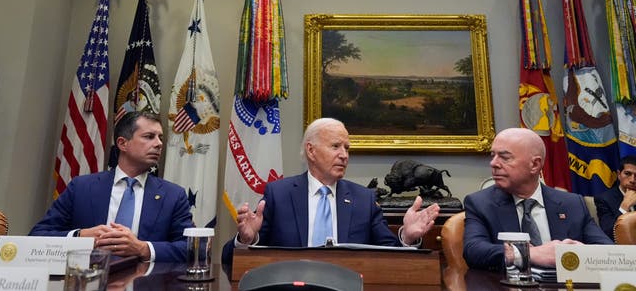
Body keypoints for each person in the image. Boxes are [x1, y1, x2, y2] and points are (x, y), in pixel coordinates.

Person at [221, 118, 441, 265]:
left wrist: (407, 238)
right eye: (335, 146)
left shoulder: (363, 200)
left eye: (347, 148)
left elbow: (391, 257)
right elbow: (229, 261)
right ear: (311, 151)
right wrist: (246, 239)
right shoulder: (279, 194)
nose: (344, 155)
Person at [30, 111, 194, 262]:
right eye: (149, 136)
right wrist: (80, 235)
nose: (158, 144)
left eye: (160, 138)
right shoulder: (81, 187)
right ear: (123, 143)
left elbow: (194, 248)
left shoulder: (173, 195)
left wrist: (143, 248)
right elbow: (37, 236)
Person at [463, 127, 612, 270]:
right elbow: (473, 251)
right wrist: (528, 253)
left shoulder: (572, 204)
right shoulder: (480, 203)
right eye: (493, 155)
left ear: (535, 164)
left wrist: (581, 252)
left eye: (504, 157)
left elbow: (608, 252)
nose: (493, 163)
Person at [594, 155, 636, 240]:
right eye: (627, 174)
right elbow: (608, 233)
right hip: (620, 250)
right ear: (619, 174)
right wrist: (624, 207)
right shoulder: (604, 199)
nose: (632, 180)